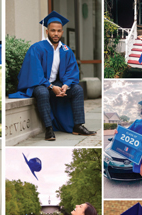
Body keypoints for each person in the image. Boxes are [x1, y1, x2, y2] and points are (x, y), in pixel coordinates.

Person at [8, 11, 96, 141]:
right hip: (40, 84)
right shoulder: (36, 48)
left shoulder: (66, 50)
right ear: (47, 31)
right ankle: (48, 129)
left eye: (59, 31)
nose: (56, 34)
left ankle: (78, 125)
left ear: (62, 32)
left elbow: (71, 71)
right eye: (53, 30)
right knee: (43, 93)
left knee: (77, 89)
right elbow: (34, 73)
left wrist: (66, 85)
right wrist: (50, 86)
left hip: (58, 83)